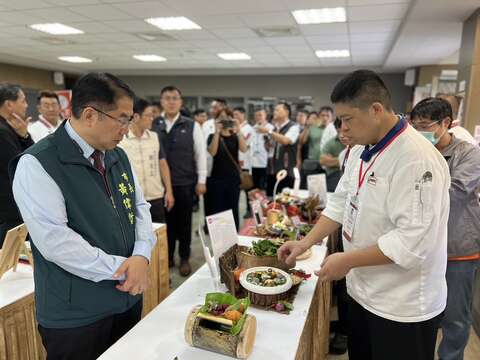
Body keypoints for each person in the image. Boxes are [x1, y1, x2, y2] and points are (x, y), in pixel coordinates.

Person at [278, 70, 450, 360]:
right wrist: (306, 243)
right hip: (363, 291)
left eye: (347, 119)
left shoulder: (416, 158)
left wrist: (347, 260)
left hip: (402, 305)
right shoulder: (361, 149)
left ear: (376, 110)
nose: (342, 128)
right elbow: (340, 203)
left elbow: (412, 243)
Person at [11, 73, 156, 360]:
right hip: (76, 316)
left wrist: (141, 255)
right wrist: (125, 268)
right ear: (90, 115)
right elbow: (56, 242)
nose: (127, 129)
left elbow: (140, 208)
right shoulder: (38, 164)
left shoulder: (117, 155)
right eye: (123, 119)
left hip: (126, 300)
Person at [410, 97, 480, 360]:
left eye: (425, 126)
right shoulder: (416, 151)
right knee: (423, 314)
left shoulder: (469, 153)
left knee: (455, 319)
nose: (419, 132)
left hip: (458, 248)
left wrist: (412, 188)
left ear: (446, 123)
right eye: (414, 126)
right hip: (424, 249)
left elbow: (457, 191)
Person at [153, 86, 207, 276]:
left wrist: (201, 180)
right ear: (161, 101)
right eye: (167, 98)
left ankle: (184, 257)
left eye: (175, 98)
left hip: (185, 183)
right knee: (165, 225)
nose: (171, 101)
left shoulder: (191, 125)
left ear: (181, 101)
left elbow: (200, 155)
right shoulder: (154, 124)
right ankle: (167, 256)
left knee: (184, 223)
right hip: (159, 186)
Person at [119, 97, 174, 223]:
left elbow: (163, 164)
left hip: (156, 196)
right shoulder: (121, 141)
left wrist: (169, 191)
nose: (152, 118)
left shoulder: (154, 137)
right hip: (134, 198)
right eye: (149, 115)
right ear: (136, 117)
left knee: (158, 236)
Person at [0, 82, 32, 246]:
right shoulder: (2, 131)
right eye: (23, 100)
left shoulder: (9, 128)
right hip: (8, 209)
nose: (26, 105)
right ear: (9, 104)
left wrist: (24, 135)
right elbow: (23, 165)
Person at [207, 108, 247, 229]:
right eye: (221, 118)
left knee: (232, 208)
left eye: (227, 118)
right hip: (216, 178)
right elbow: (212, 152)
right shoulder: (212, 136)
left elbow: (244, 149)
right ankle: (219, 237)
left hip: (233, 178)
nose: (224, 120)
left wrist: (238, 129)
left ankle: (234, 236)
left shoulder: (235, 136)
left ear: (231, 119)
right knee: (217, 209)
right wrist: (217, 132)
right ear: (216, 120)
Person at [257, 102, 299, 196]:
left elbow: (285, 141)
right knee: (271, 199)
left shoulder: (293, 127)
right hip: (272, 170)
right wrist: (267, 144)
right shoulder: (275, 128)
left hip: (286, 171)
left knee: (284, 201)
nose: (274, 112)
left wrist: (268, 131)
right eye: (274, 110)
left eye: (277, 110)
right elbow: (270, 149)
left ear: (287, 112)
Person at [233, 106, 254, 218]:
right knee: (236, 188)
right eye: (234, 115)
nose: (235, 117)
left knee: (247, 187)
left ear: (243, 115)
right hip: (234, 162)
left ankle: (249, 209)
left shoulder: (249, 129)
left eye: (237, 114)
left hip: (245, 161)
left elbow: (246, 145)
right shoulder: (234, 128)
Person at [320, 118, 346, 192]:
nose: (341, 135)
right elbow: (323, 161)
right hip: (333, 175)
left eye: (344, 131)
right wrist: (342, 161)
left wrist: (333, 160)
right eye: (338, 132)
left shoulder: (356, 143)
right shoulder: (330, 142)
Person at [251, 108, 274, 191]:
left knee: (263, 188)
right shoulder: (253, 128)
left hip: (266, 162)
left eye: (260, 115)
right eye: (256, 115)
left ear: (265, 116)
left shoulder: (271, 128)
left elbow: (272, 145)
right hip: (253, 162)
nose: (258, 117)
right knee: (254, 188)